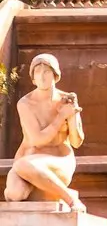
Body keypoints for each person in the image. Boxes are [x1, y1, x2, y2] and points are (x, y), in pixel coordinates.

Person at [3, 53, 84, 207]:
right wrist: (61, 117)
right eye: (37, 72)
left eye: (46, 71)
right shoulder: (25, 104)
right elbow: (37, 140)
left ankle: (70, 199)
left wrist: (72, 116)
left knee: (22, 166)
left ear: (55, 75)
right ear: (33, 78)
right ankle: (47, 187)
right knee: (15, 194)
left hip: (59, 160)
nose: (42, 76)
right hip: (29, 158)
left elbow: (76, 142)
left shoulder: (66, 99)